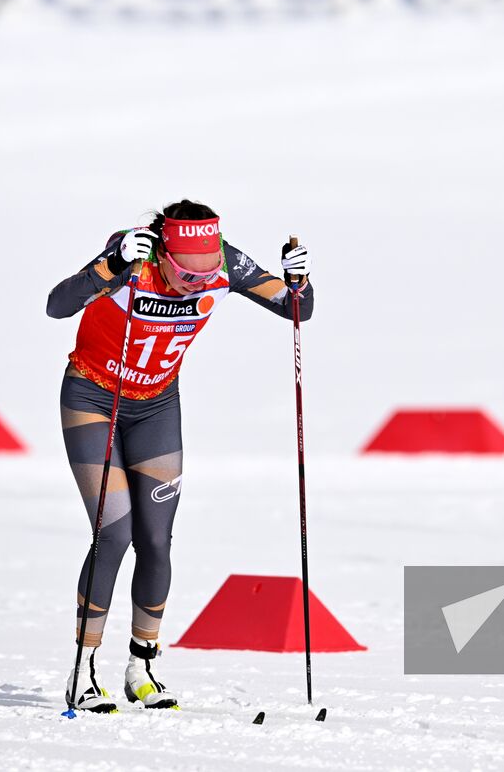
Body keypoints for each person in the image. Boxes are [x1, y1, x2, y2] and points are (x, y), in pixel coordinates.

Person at [45, 199, 313, 713]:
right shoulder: (133, 254)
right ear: (163, 252)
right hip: (93, 398)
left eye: (205, 272)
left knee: (156, 539)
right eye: (185, 272)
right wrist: (111, 266)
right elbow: (57, 305)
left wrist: (298, 283)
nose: (196, 282)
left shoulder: (227, 263)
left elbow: (297, 309)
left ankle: (141, 666)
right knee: (114, 531)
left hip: (156, 407)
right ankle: (84, 667)